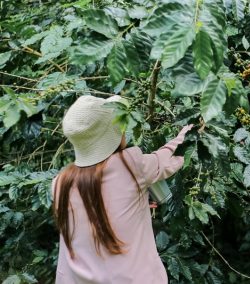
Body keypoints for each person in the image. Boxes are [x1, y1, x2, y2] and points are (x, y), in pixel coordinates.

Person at [52, 95, 192, 284]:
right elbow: (171, 156)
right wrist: (192, 130)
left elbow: (93, 218)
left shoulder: (60, 183)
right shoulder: (130, 164)